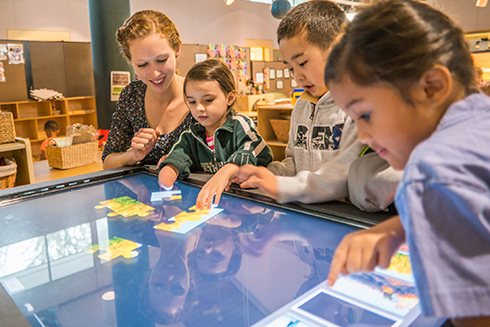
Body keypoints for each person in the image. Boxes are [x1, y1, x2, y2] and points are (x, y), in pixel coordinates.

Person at [323, 1, 490, 325]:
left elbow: (475, 315)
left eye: (365, 114)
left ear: (432, 87)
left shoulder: (430, 172)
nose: (363, 136)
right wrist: (401, 228)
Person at [233, 0, 401, 211]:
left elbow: (341, 174)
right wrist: (268, 173)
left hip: (345, 215)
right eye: (290, 69)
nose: (298, 77)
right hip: (309, 212)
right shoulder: (302, 106)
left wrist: (281, 186)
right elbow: (294, 161)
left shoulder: (357, 105)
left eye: (302, 63)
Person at [157, 59, 273, 209]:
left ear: (229, 98)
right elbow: (179, 155)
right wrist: (169, 171)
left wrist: (228, 170)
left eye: (208, 100)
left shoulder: (239, 124)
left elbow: (253, 148)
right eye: (192, 102)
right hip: (213, 203)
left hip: (247, 203)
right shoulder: (191, 134)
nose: (199, 108)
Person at [102, 10, 195, 169]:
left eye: (161, 60)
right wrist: (133, 155)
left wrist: (183, 160)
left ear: (177, 49)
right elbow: (108, 161)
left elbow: (227, 154)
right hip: (144, 192)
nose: (155, 73)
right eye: (142, 65)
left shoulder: (200, 94)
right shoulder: (132, 96)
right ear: (130, 61)